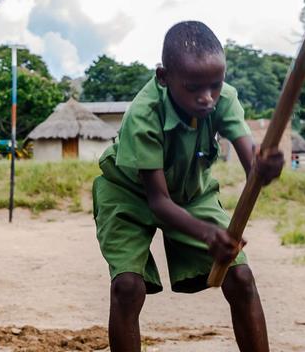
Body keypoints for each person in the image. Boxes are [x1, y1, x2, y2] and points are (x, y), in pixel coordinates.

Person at [92, 21, 283, 352]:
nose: (207, 97)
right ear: (164, 77)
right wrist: (209, 235)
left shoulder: (224, 99)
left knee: (241, 277)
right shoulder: (143, 113)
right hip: (129, 195)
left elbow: (252, 164)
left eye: (215, 85)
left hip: (192, 194)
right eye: (193, 87)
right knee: (127, 286)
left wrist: (264, 168)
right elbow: (158, 200)